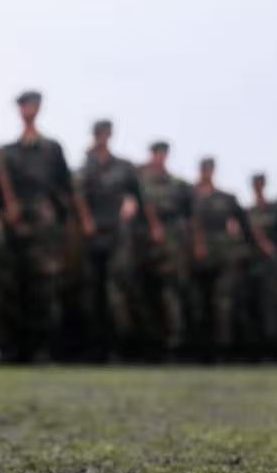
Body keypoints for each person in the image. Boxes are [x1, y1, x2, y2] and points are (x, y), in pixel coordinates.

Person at [0, 90, 80, 362]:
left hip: (45, 226)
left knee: (44, 286)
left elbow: (66, 189)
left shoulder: (51, 149)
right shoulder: (8, 152)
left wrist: (68, 225)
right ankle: (14, 348)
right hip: (15, 224)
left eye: (31, 105)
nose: (27, 110)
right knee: (12, 284)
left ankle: (43, 348)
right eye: (23, 105)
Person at [74, 119, 162, 361]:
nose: (101, 138)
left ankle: (123, 344)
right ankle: (97, 347)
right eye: (98, 134)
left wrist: (154, 227)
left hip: (118, 235)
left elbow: (142, 199)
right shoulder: (85, 168)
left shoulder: (124, 167)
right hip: (92, 236)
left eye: (104, 133)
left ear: (109, 135)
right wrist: (86, 221)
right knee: (93, 290)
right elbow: (77, 197)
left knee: (118, 288)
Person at [189, 157, 253, 360]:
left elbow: (246, 226)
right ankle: (200, 349)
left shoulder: (226, 198)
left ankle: (223, 349)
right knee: (198, 303)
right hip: (195, 259)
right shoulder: (190, 197)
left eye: (209, 169)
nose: (206, 173)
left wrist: (241, 249)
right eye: (203, 169)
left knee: (223, 302)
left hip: (223, 257)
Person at [136, 141, 195, 359]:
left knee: (171, 290)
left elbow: (191, 214)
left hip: (172, 245)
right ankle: (151, 342)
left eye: (162, 154)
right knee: (145, 291)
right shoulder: (140, 183)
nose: (158, 158)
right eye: (156, 154)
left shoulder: (178, 185)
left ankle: (175, 342)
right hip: (143, 244)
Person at [246, 173, 277, 359]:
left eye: (260, 184)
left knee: (275, 305)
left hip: (274, 265)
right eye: (255, 184)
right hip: (253, 266)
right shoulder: (248, 212)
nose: (258, 187)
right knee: (255, 306)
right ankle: (259, 348)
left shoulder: (275, 211)